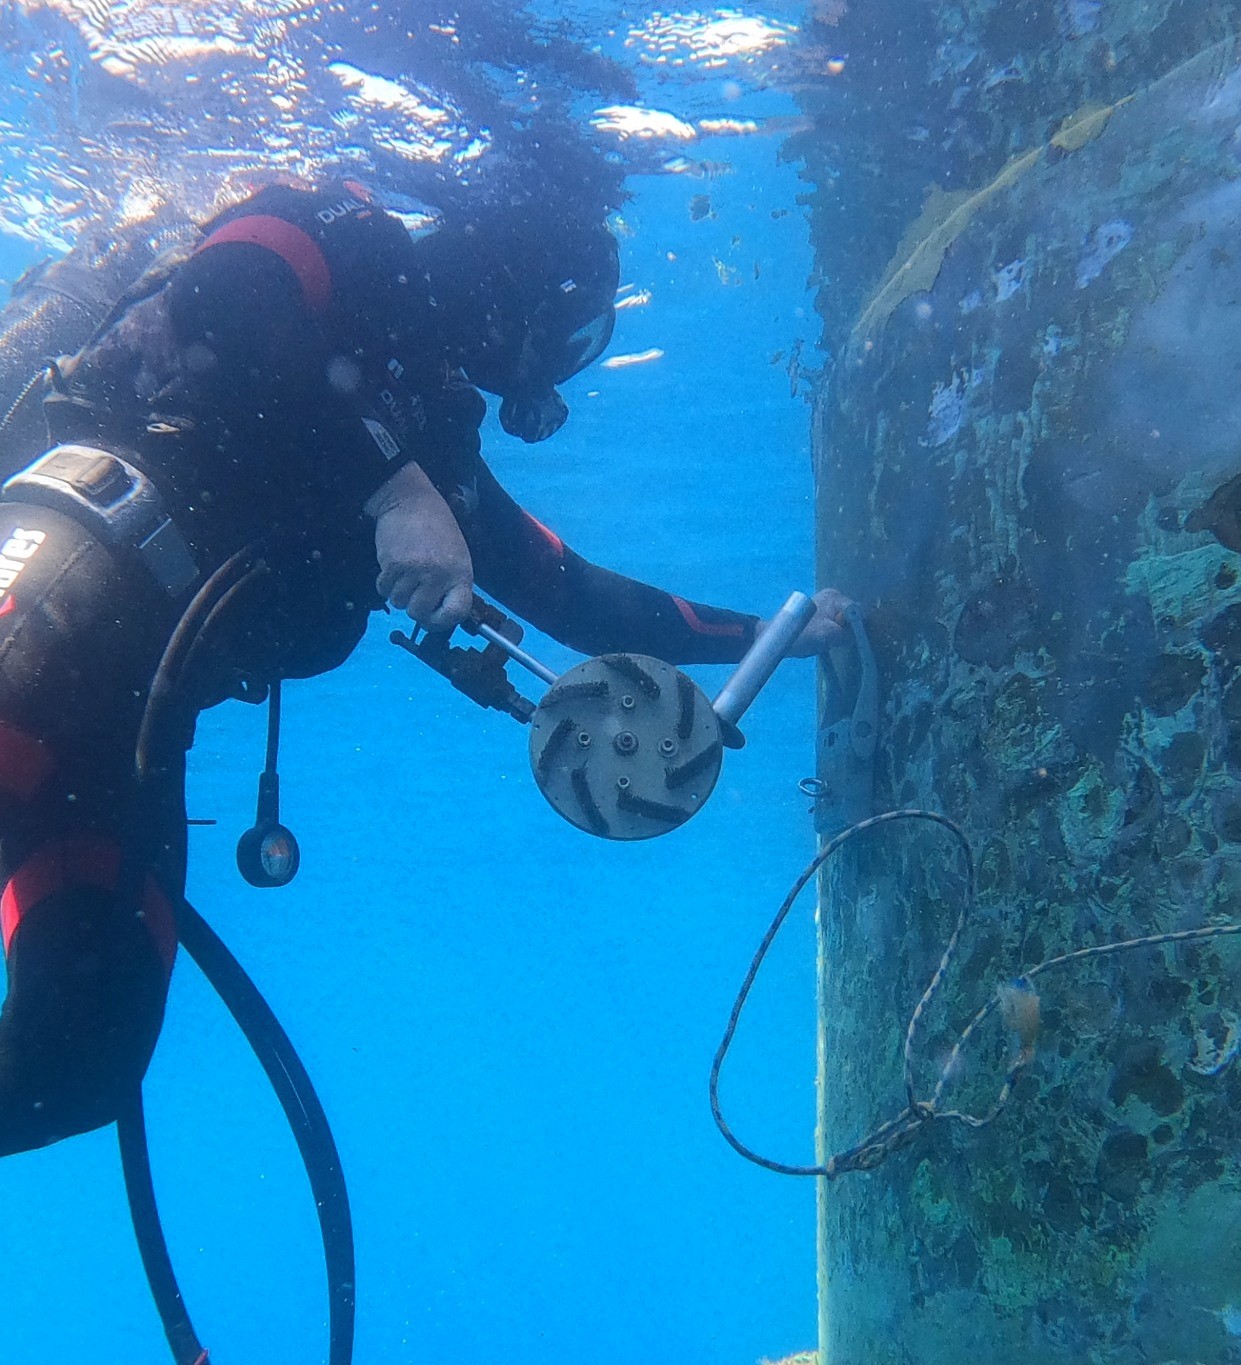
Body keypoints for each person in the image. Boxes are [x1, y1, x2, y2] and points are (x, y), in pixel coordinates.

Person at [0, 174, 848, 1156]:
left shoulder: (425, 426)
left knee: (78, 1061)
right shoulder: (353, 241)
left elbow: (569, 592)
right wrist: (394, 492)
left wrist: (773, 634)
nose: (537, 389)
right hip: (54, 595)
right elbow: (224, 291)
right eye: (561, 348)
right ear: (522, 289)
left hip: (121, 724)